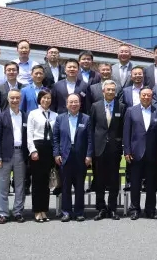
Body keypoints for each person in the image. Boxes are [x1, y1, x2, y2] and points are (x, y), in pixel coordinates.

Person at [54, 93, 93, 222]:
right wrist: (56, 154)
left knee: (79, 187)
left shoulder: (86, 119)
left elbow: (90, 139)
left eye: (76, 102)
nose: (73, 104)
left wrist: (89, 155)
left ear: (80, 104)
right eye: (71, 102)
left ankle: (79, 212)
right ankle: (66, 212)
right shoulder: (60, 119)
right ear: (66, 104)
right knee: (65, 187)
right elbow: (55, 138)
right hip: (64, 157)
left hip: (81, 158)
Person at [90, 80, 126, 221]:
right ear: (103, 91)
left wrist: (121, 145)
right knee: (99, 180)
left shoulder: (121, 107)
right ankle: (101, 208)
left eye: (113, 89)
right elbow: (91, 129)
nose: (111, 92)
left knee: (113, 181)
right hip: (99, 149)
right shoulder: (95, 106)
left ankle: (112, 209)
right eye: (108, 89)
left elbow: (123, 129)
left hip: (114, 149)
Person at [123, 87, 157, 220]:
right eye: (144, 95)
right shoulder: (131, 111)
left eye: (149, 95)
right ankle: (134, 209)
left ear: (152, 97)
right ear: (139, 96)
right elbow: (126, 132)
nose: (146, 97)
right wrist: (127, 150)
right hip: (135, 153)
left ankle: (150, 209)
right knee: (135, 184)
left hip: (152, 153)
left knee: (151, 184)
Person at [0, 88, 28, 224]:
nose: (15, 100)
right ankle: (3, 213)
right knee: (3, 185)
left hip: (20, 154)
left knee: (20, 185)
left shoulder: (25, 116)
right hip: (5, 155)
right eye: (12, 98)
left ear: (20, 99)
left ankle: (18, 211)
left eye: (17, 98)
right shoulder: (1, 116)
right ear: (8, 99)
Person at [26, 89, 58, 222]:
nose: (46, 100)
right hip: (37, 147)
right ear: (39, 99)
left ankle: (44, 210)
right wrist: (32, 150)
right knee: (37, 181)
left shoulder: (55, 115)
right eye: (44, 98)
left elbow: (56, 135)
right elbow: (29, 134)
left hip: (50, 147)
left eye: (48, 98)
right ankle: (37, 210)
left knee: (46, 181)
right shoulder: (33, 114)